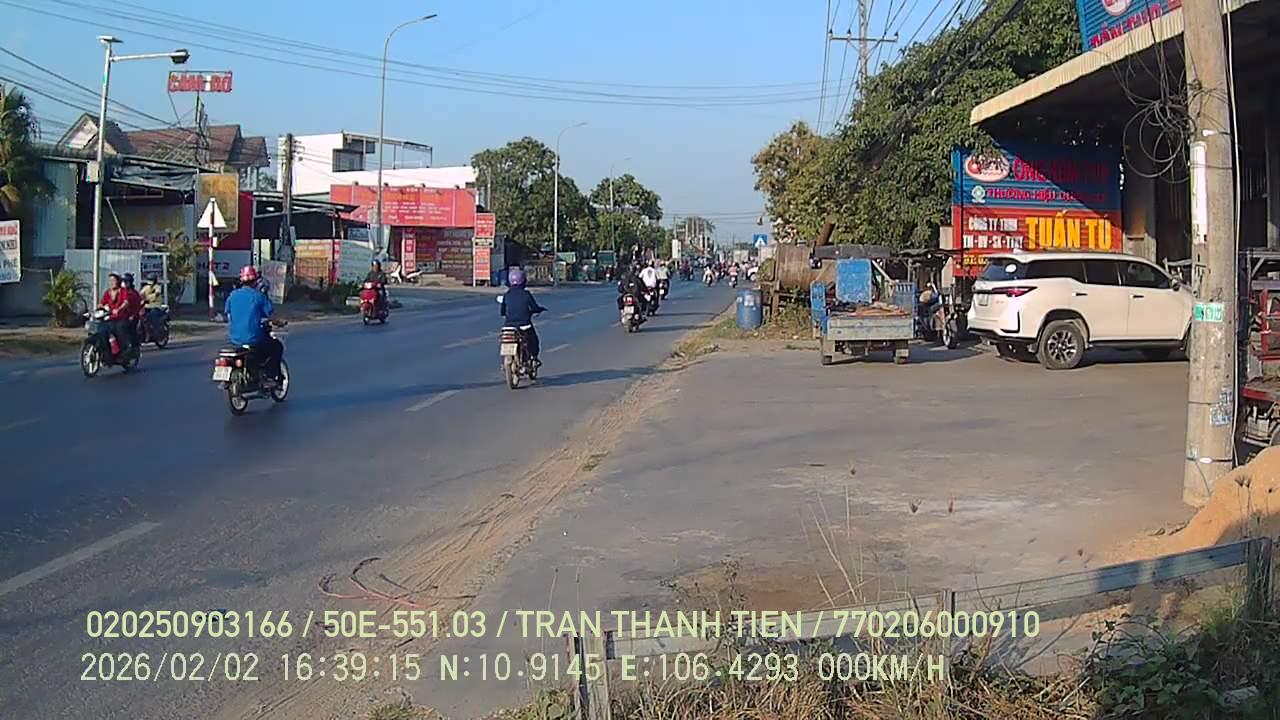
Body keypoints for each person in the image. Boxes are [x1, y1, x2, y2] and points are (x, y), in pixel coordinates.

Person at [224, 266, 284, 383]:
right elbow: (271, 316)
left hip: (235, 339)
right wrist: (280, 322)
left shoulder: (232, 296)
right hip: (254, 339)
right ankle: (271, 376)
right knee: (276, 347)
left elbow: (228, 315)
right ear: (256, 281)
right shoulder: (259, 297)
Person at [499, 267, 545, 365]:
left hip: (509, 325)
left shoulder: (507, 295)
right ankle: (534, 358)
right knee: (533, 340)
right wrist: (539, 309)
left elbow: (502, 311)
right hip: (524, 325)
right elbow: (534, 307)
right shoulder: (526, 294)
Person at [98, 273, 135, 354]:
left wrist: (119, 309)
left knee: (119, 330)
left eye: (113, 280)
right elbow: (101, 303)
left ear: (118, 281)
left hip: (121, 318)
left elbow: (126, 302)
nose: (111, 282)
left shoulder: (123, 291)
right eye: (110, 280)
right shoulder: (108, 292)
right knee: (102, 329)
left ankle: (124, 350)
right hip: (110, 317)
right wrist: (100, 308)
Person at [140, 274, 165, 340]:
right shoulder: (146, 287)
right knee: (142, 317)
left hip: (156, 306)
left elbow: (157, 294)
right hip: (146, 306)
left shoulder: (158, 287)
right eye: (149, 280)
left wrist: (148, 299)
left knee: (151, 316)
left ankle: (154, 332)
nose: (150, 282)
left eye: (151, 280)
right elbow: (141, 294)